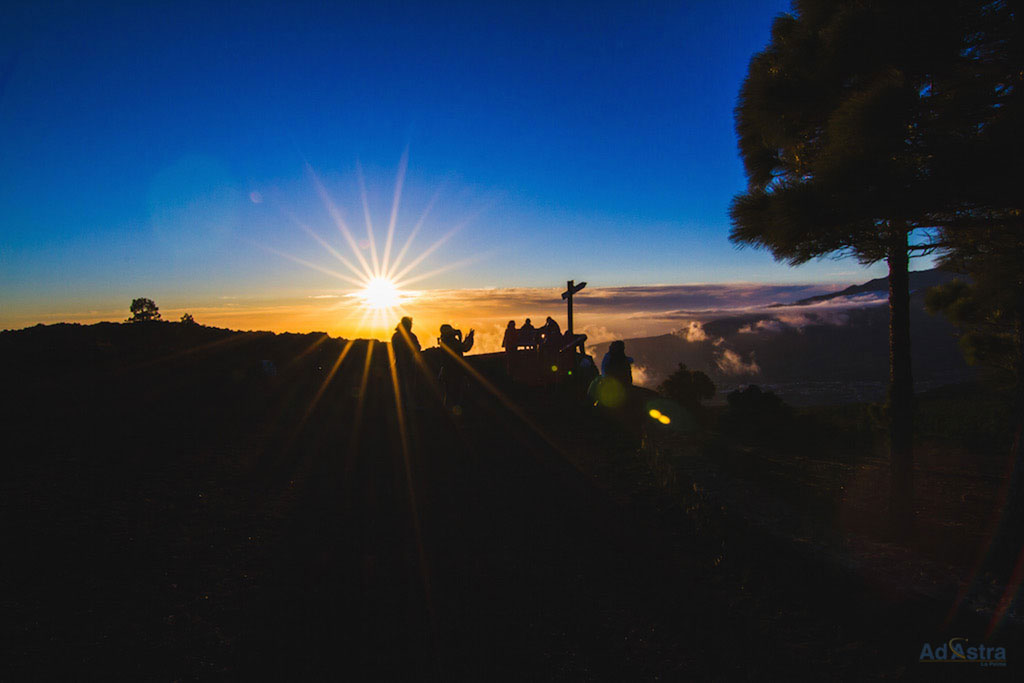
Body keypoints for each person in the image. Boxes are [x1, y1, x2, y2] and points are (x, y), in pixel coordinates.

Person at [438, 324, 475, 408]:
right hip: (454, 371)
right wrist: (470, 339)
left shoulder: (444, 341)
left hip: (448, 371)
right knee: (455, 394)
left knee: (449, 394)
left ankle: (448, 413)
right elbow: (465, 348)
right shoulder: (450, 341)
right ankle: (454, 412)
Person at [391, 317, 421, 404]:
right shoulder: (411, 336)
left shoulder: (395, 336)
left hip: (398, 364)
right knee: (408, 387)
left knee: (400, 387)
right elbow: (417, 348)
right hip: (408, 365)